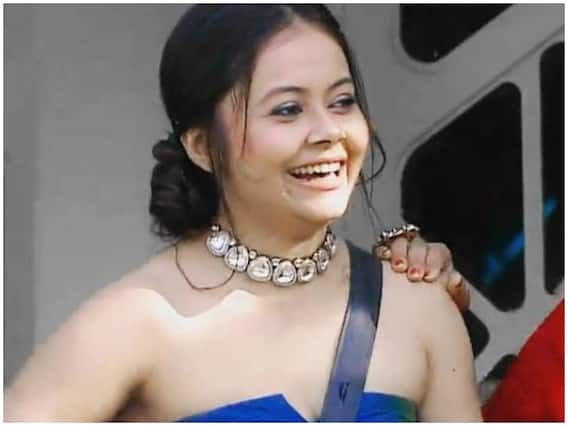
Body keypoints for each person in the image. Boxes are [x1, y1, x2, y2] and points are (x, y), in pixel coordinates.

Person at [4, 5, 480, 422]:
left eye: (342, 101)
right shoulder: (143, 320)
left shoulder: (417, 306)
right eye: (288, 109)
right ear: (201, 146)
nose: (328, 131)